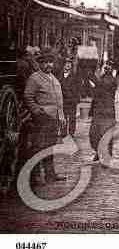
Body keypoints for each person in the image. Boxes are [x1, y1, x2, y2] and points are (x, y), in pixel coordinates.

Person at [24, 49, 66, 183]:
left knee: (50, 147)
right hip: (42, 118)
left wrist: (62, 116)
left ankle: (50, 175)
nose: (49, 65)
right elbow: (28, 97)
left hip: (53, 118)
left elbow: (59, 100)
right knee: (39, 146)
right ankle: (34, 176)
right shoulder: (35, 78)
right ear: (40, 64)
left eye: (50, 62)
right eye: (45, 63)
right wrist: (37, 111)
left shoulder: (53, 78)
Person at [88, 60, 119, 162]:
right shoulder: (102, 77)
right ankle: (98, 151)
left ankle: (107, 155)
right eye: (106, 65)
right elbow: (97, 91)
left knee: (106, 131)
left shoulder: (112, 79)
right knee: (95, 132)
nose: (107, 67)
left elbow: (103, 85)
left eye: (110, 66)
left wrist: (91, 76)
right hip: (98, 109)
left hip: (107, 110)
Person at [58, 57, 81, 137]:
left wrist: (77, 98)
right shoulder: (59, 76)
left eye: (69, 64)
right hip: (62, 100)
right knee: (62, 116)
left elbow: (78, 88)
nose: (67, 65)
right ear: (63, 65)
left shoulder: (75, 76)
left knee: (72, 117)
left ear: (71, 66)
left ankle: (71, 132)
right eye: (66, 63)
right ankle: (63, 132)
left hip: (71, 100)